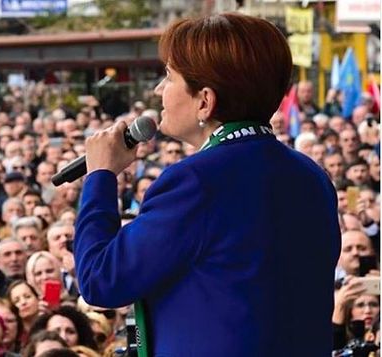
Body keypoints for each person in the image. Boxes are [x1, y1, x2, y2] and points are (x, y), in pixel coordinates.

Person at [74, 13, 340, 356]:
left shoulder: (195, 182)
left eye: (169, 77)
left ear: (204, 100)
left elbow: (101, 280)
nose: (158, 90)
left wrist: (100, 177)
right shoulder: (312, 175)